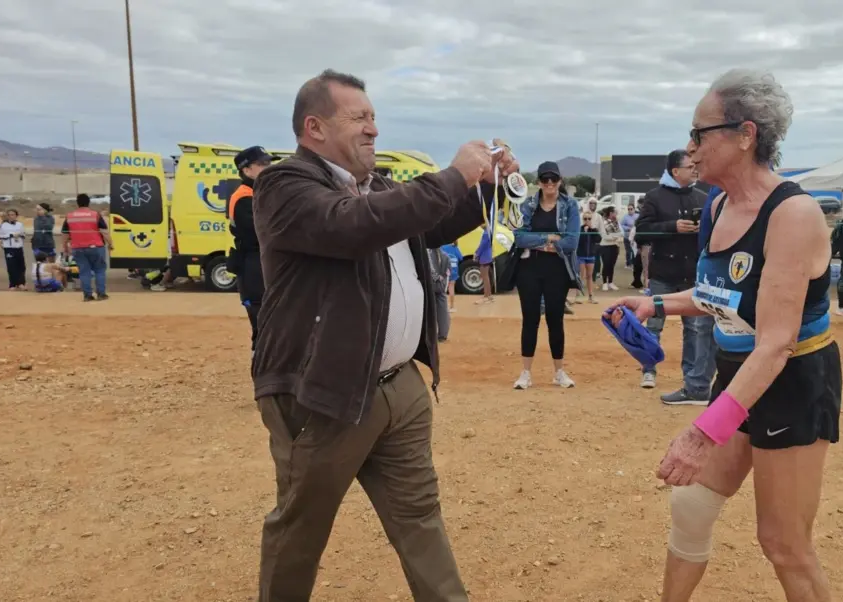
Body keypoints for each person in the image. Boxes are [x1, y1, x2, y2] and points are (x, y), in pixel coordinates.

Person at [250, 68, 517, 602]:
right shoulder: (285, 185)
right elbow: (354, 226)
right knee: (301, 529)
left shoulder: (379, 189)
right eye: (360, 118)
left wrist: (482, 185)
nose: (374, 129)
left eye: (374, 117)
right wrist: (451, 175)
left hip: (400, 388)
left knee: (419, 516)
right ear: (314, 127)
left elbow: (427, 222)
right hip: (324, 393)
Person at [609, 68, 839, 602]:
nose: (689, 148)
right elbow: (721, 295)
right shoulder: (716, 205)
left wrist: (700, 433)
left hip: (792, 381)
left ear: (746, 134)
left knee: (784, 544)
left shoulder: (793, 213)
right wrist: (656, 303)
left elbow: (777, 341)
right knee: (691, 505)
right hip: (740, 374)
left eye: (699, 133)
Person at [634, 150, 715, 402]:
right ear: (674, 171)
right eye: (689, 166)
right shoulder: (654, 197)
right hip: (663, 273)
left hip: (692, 274)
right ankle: (648, 369)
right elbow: (641, 232)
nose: (694, 169)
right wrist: (672, 227)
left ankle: (691, 376)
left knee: (695, 329)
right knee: (654, 323)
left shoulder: (702, 196)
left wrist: (702, 229)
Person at [511, 161, 580, 390]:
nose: (549, 183)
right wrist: (551, 239)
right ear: (538, 182)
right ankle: (526, 372)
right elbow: (519, 238)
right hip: (529, 269)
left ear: (560, 181)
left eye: (553, 179)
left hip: (557, 270)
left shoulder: (569, 205)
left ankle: (559, 371)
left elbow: (571, 241)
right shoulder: (528, 204)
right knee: (530, 319)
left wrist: (540, 240)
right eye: (544, 179)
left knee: (555, 319)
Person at [228, 145, 274, 351]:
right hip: (253, 264)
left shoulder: (259, 193)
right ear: (246, 170)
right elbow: (259, 234)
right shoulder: (244, 197)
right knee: (262, 323)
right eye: (262, 164)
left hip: (263, 262)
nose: (268, 167)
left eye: (269, 163)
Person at [61, 194, 112, 301]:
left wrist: (65, 247)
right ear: (89, 202)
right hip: (96, 247)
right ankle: (101, 294)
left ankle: (87, 295)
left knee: (84, 271)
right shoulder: (95, 215)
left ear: (77, 203)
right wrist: (111, 244)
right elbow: (104, 232)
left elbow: (65, 234)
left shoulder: (69, 216)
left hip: (77, 248)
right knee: (99, 270)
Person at [575, 198, 599, 303]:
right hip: (581, 255)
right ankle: (578, 296)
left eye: (589, 218)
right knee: (580, 276)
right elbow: (578, 241)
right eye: (585, 219)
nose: (587, 221)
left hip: (591, 255)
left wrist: (592, 229)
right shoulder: (579, 229)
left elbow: (598, 239)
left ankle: (590, 296)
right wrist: (583, 231)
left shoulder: (593, 230)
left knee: (590, 276)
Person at [0, 209, 27, 290]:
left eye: (13, 214)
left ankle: (21, 283)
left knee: (21, 266)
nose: (11, 216)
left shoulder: (20, 224)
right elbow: (0, 235)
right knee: (11, 266)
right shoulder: (3, 225)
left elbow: (24, 234)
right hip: (9, 248)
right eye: (9, 215)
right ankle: (12, 284)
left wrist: (20, 235)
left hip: (19, 247)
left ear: (16, 216)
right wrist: (10, 235)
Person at [429, 246, 452, 342]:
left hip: (432, 285)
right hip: (442, 286)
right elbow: (448, 271)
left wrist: (437, 278)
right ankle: (443, 334)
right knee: (443, 310)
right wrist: (442, 279)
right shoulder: (446, 256)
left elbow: (430, 269)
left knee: (430, 310)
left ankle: (431, 335)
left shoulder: (428, 254)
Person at [598, 206, 622, 290]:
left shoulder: (616, 222)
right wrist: (614, 237)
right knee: (606, 264)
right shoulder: (603, 222)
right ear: (611, 213)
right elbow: (604, 236)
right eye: (615, 212)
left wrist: (614, 237)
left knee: (612, 265)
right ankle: (604, 282)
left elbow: (621, 233)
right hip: (605, 246)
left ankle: (610, 282)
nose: (616, 214)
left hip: (615, 246)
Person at [440, 243, 463, 312]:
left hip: (445, 270)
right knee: (451, 288)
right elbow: (460, 257)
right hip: (454, 270)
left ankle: (443, 307)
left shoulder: (442, 247)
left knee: (443, 289)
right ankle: (452, 306)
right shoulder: (455, 247)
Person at [620, 202, 638, 267]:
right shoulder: (625, 217)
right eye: (628, 209)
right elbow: (621, 225)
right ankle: (628, 263)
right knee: (628, 251)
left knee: (634, 250)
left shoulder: (637, 216)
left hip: (634, 237)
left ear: (634, 209)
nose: (630, 210)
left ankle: (634, 263)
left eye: (631, 209)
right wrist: (628, 228)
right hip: (627, 236)